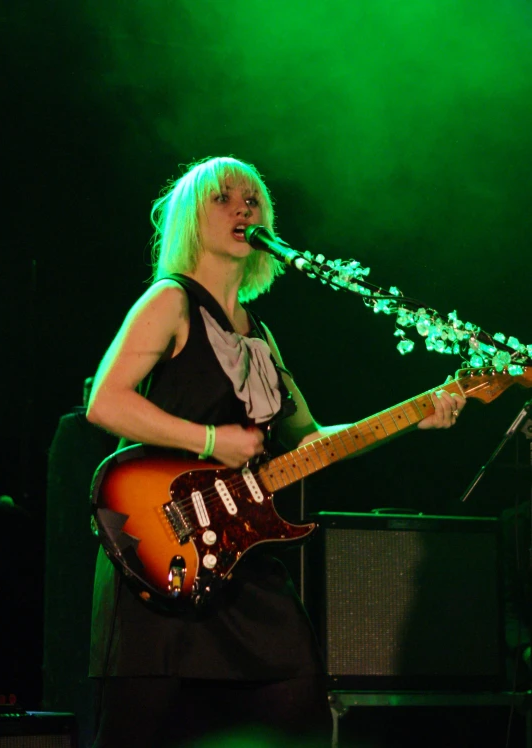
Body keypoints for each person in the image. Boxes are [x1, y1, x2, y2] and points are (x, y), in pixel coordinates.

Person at [86, 156, 466, 747]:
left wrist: (415, 417)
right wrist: (212, 441)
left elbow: (312, 441)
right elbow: (105, 402)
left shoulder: (260, 336)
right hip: (163, 545)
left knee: (300, 703)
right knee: (144, 726)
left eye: (253, 199)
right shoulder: (171, 301)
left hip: (243, 557)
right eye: (223, 198)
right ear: (191, 218)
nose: (243, 206)